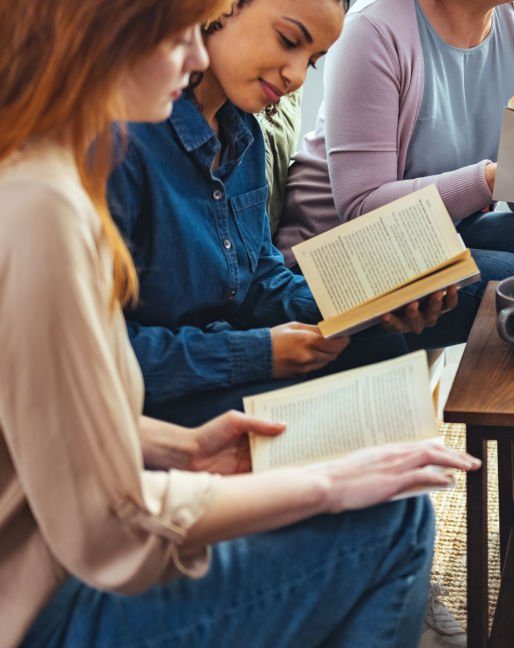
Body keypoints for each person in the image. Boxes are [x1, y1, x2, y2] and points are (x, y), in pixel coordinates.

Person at [0, 1, 482, 646]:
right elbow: (109, 524)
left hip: (82, 521)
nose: (196, 54)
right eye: (181, 35)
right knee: (393, 517)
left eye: (312, 60)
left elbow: (53, 402)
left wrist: (369, 301)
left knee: (413, 331)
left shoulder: (227, 139)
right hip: (47, 596)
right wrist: (326, 483)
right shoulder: (60, 194)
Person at [106, 0, 457, 428]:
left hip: (226, 357)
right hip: (157, 401)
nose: (293, 76)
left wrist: (373, 304)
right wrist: (261, 355)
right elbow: (100, 352)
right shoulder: (126, 139)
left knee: (381, 349)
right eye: (289, 40)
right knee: (357, 424)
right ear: (223, 8)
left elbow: (258, 280)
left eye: (311, 62)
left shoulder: (246, 138)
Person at [277, 0, 514, 354]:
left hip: (443, 232)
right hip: (340, 255)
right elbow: (362, 209)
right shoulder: (372, 28)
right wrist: (489, 180)